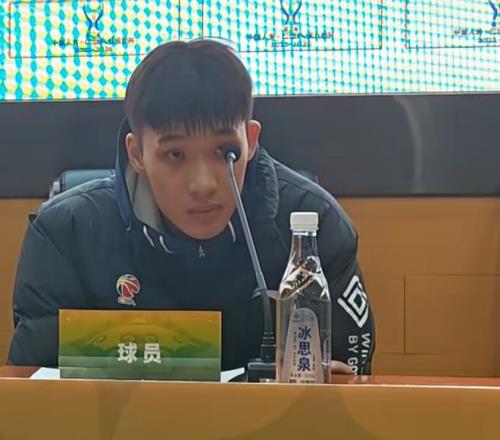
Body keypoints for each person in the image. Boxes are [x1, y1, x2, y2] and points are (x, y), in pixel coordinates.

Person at [8, 39, 375, 374]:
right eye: (175, 155)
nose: (203, 184)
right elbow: (34, 390)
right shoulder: (65, 235)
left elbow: (352, 379)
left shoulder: (315, 228)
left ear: (250, 141)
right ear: (137, 153)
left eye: (225, 152)